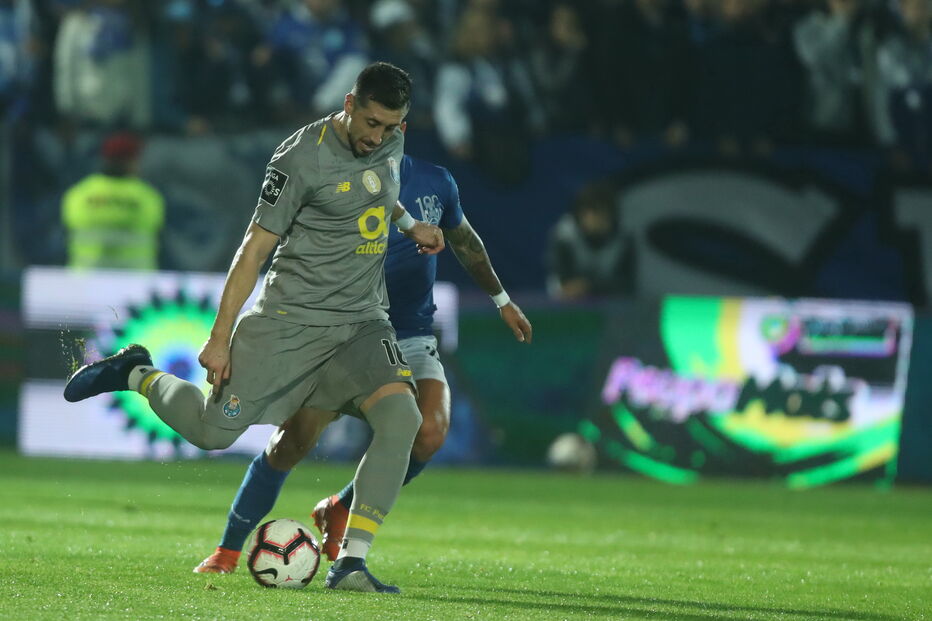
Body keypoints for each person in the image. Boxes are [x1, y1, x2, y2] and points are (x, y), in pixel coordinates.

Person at [64, 62, 445, 593]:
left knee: (403, 418)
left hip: (361, 322)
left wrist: (410, 225)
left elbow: (379, 191)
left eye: (391, 126)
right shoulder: (299, 158)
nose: (378, 137)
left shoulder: (388, 142)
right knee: (210, 433)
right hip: (289, 321)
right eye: (372, 123)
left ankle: (351, 564)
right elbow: (253, 250)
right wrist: (219, 338)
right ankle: (136, 373)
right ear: (350, 103)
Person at [192, 152, 533, 575]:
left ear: (400, 128)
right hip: (340, 332)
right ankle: (227, 550)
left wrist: (501, 300)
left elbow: (464, 239)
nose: (377, 137)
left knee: (429, 431)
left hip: (408, 332)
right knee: (294, 441)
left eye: (388, 126)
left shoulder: (435, 182)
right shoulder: (333, 180)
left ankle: (342, 510)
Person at [61, 132, 165, 270]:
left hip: (86, 280)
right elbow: (155, 227)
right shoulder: (147, 197)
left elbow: (69, 226)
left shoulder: (79, 194)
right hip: (134, 281)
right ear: (132, 161)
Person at [547, 180, 635, 300]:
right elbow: (565, 284)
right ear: (580, 214)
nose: (597, 219)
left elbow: (626, 285)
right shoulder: (565, 235)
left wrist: (589, 286)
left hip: (611, 307)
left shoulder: (624, 239)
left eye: (602, 213)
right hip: (567, 306)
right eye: (592, 212)